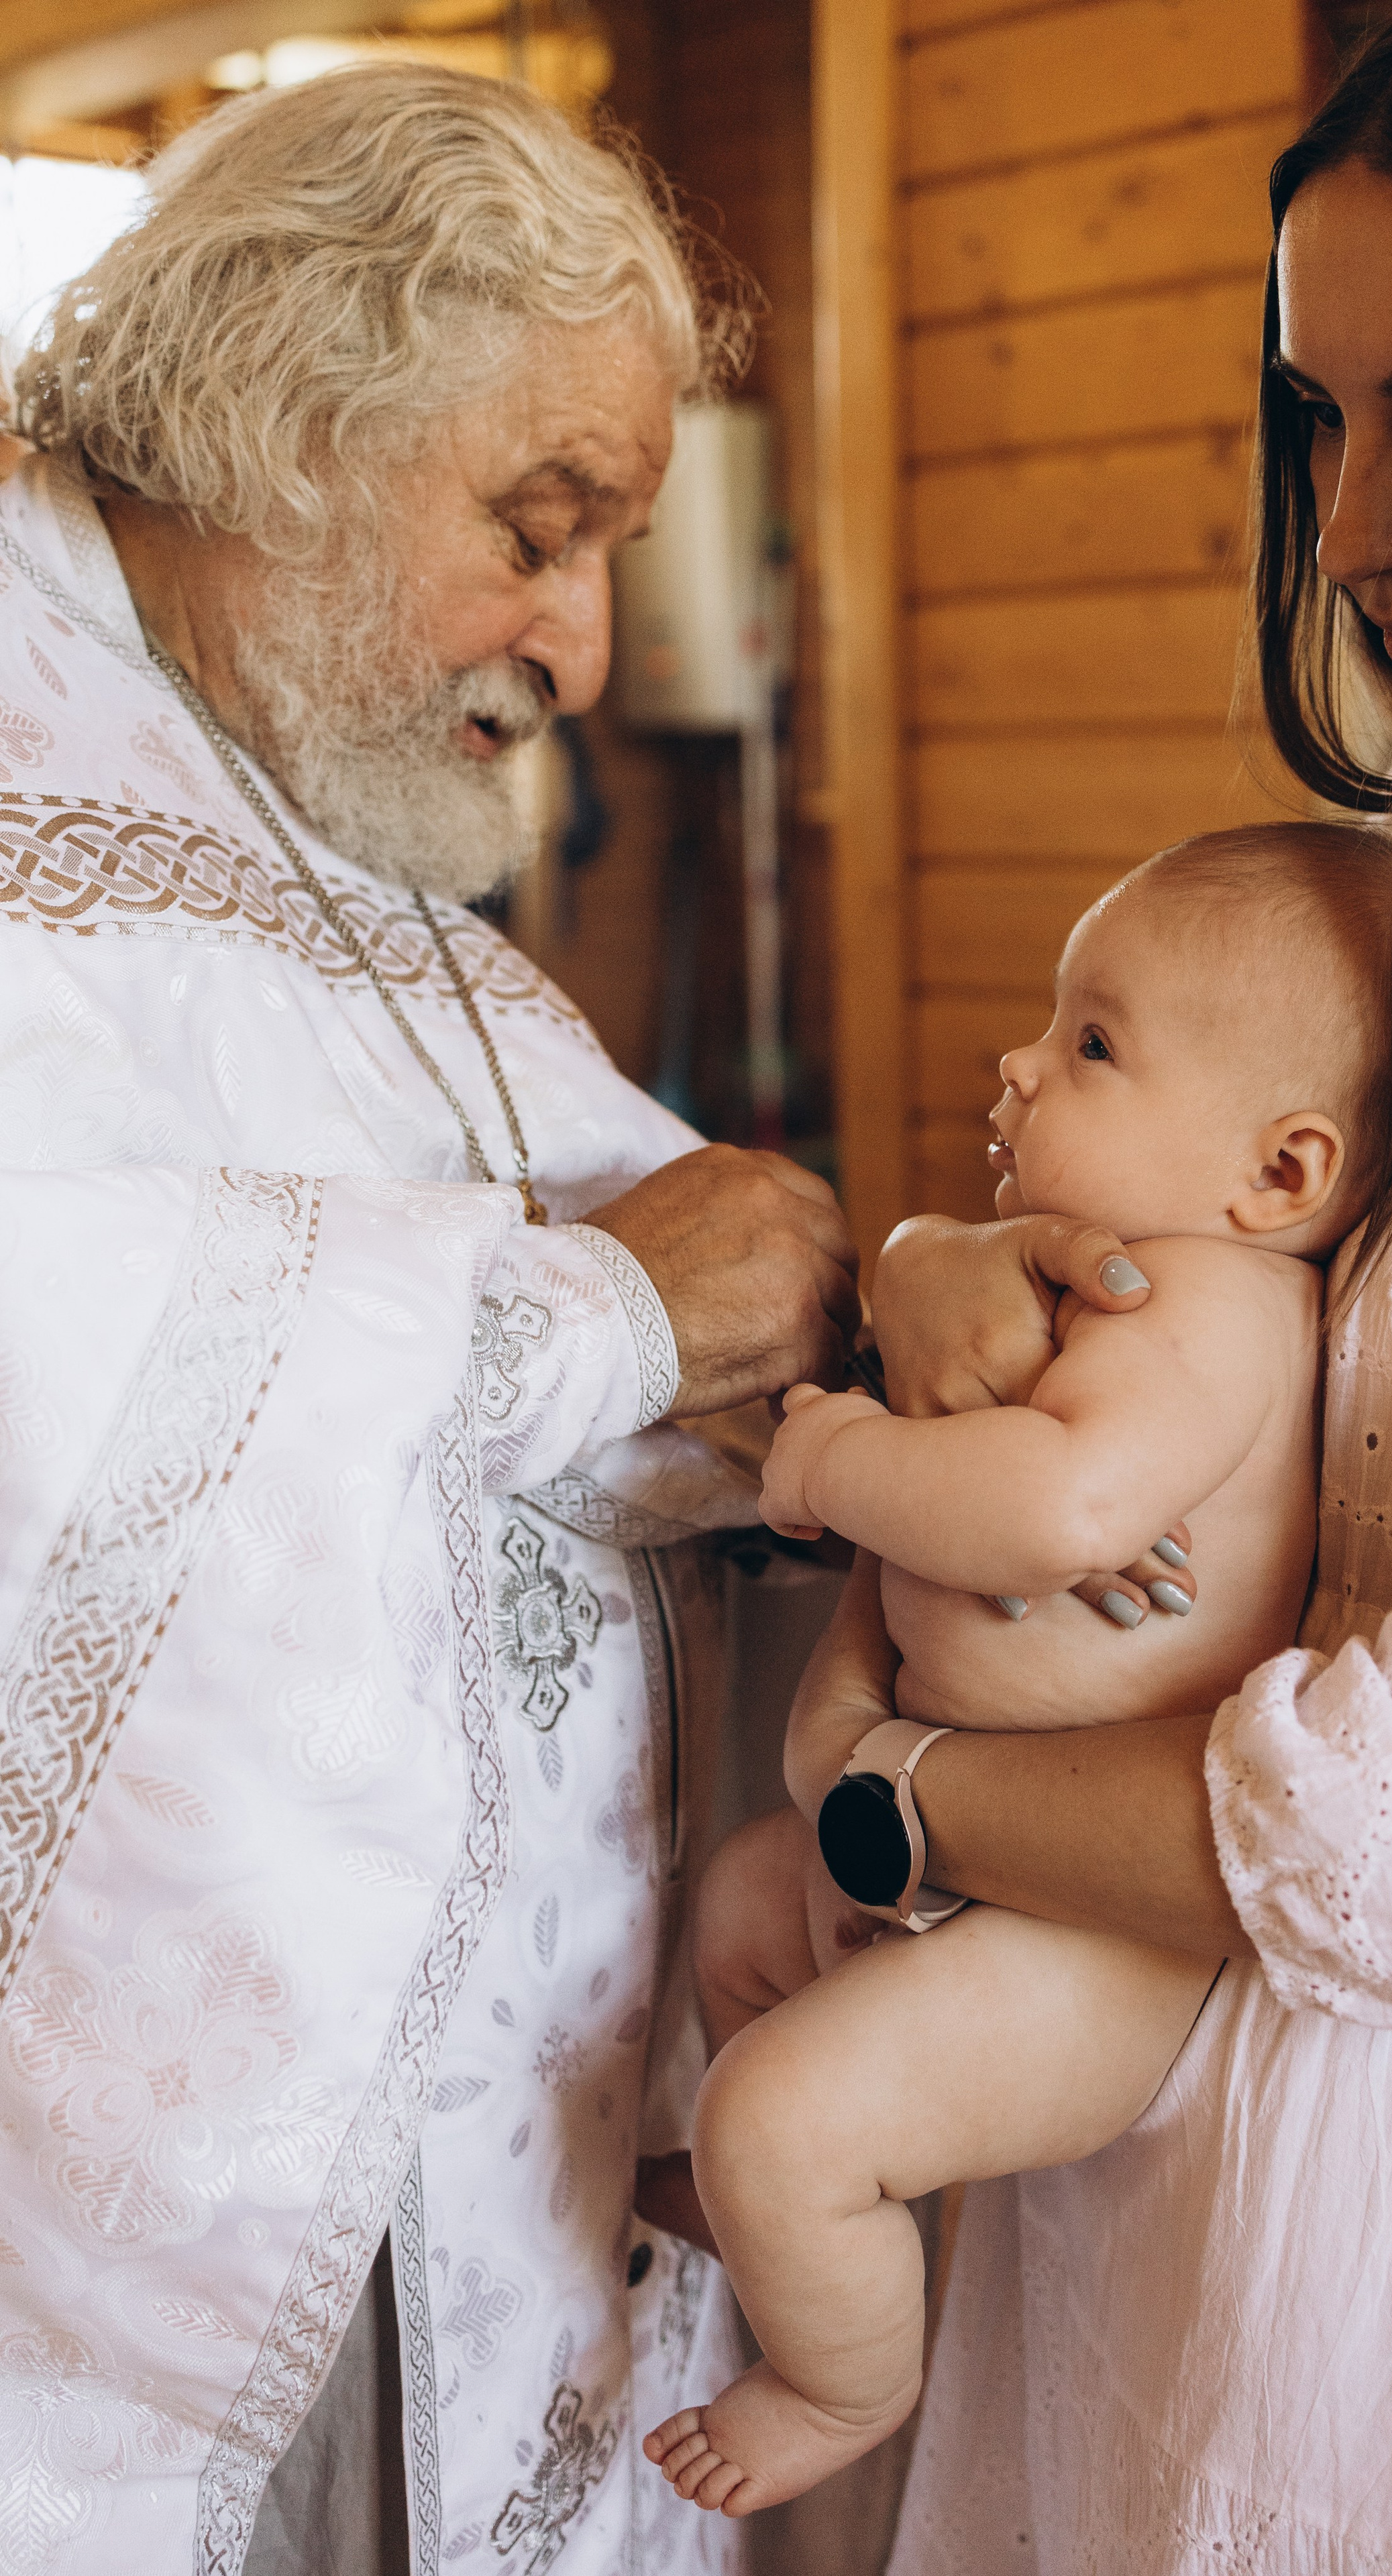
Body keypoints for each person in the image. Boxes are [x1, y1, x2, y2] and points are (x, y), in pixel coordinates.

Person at [780, 0, 1392, 2567]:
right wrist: (957, 1273)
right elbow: (1158, 1247)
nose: (1357, 526)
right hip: (1159, 2109)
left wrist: (892, 1792)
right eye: (1326, 418)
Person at [0, 64, 881, 2576]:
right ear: (285, 420)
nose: (587, 641)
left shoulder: (286, 775)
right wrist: (602, 1313)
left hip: (476, 2165)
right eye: (540, 524)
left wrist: (870, 1314)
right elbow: (48, 1374)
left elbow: (679, 1230)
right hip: (167, 2233)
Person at [641, 825, 1392, 2516]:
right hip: (961, 1856)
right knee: (748, 1918)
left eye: (1090, 1045)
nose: (1019, 1061)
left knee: (775, 2114)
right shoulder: (1096, 1290)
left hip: (1089, 1927)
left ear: (1278, 1173)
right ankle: (797, 2209)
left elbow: (1058, 1509)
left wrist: (829, 1463)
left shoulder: (1208, 1306)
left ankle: (842, 2376)